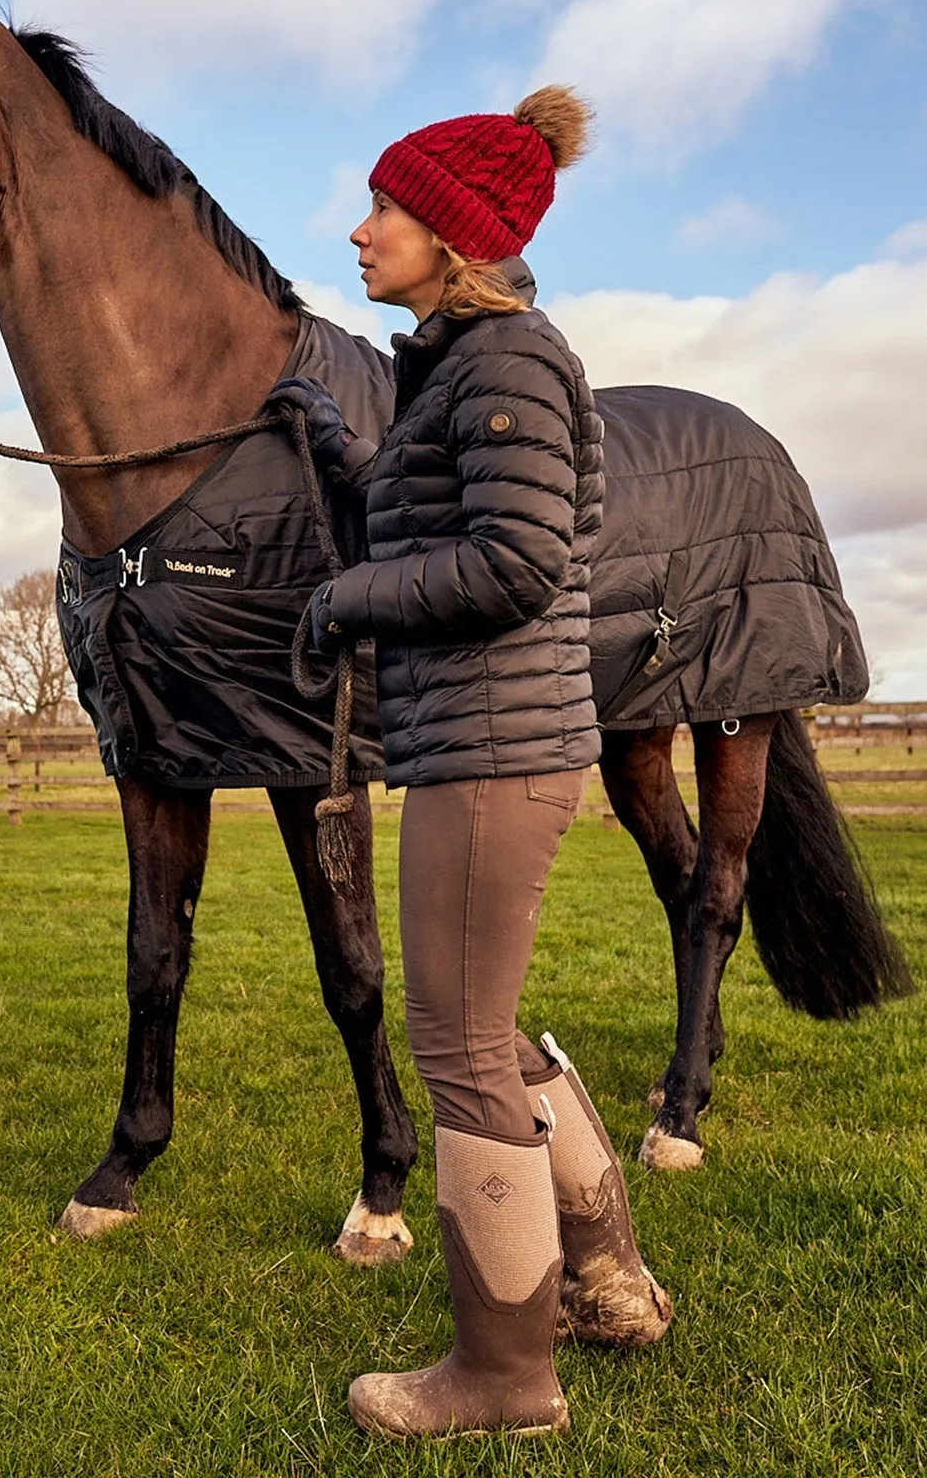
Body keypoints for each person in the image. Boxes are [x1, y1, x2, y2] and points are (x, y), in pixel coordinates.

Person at [287, 87, 671, 1440]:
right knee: (489, 1026)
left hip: (493, 754)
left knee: (452, 1046)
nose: (358, 228)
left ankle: (504, 1378)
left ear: (450, 234)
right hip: (483, 743)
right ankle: (607, 1275)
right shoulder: (455, 369)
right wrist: (340, 448)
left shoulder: (504, 367)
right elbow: (445, 507)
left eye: (384, 207)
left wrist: (347, 603)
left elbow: (512, 565)